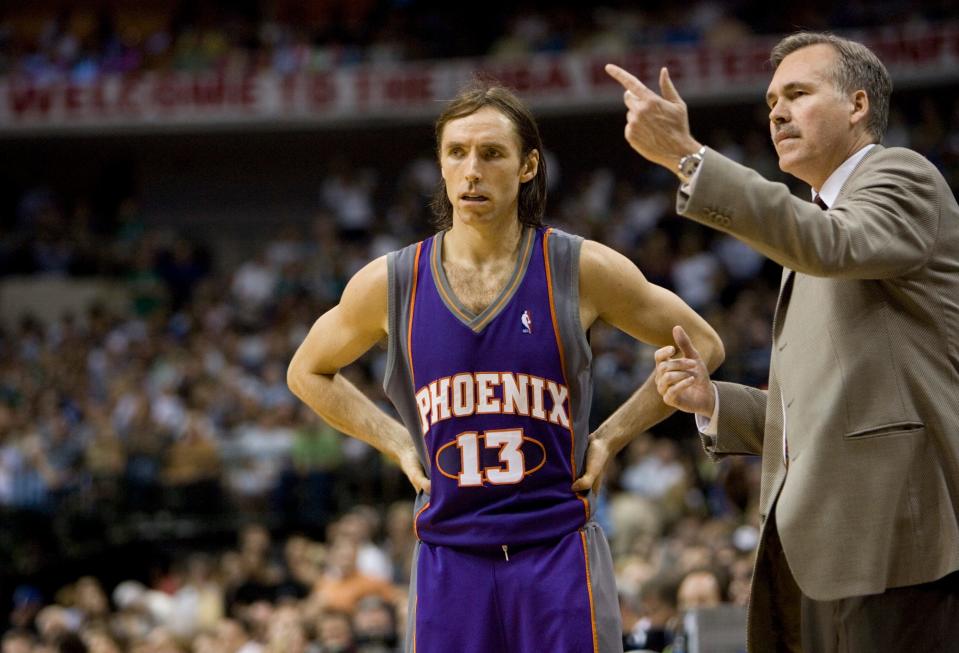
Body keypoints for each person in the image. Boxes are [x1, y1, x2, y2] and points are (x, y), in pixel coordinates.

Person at [287, 80, 724, 653]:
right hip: (450, 556)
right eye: (457, 153)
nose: (472, 170)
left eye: (491, 153)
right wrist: (392, 438)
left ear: (527, 166)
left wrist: (611, 435)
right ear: (440, 167)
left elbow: (704, 343)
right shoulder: (391, 282)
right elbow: (307, 371)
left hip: (557, 550)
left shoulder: (578, 268)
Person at [607, 30, 959, 651]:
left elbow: (830, 244)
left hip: (900, 542)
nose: (776, 111)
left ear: (856, 105)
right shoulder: (815, 233)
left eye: (797, 93)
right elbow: (816, 417)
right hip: (828, 553)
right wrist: (715, 402)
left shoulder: (901, 176)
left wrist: (689, 157)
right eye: (771, 99)